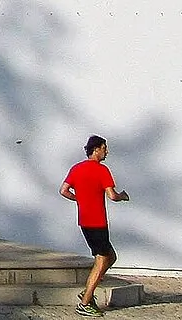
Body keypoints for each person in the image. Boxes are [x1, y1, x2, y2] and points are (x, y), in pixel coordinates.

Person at [60, 135, 129, 315]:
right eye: (105, 148)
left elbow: (63, 190)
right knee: (102, 260)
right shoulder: (101, 170)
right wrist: (123, 196)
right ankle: (85, 301)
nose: (107, 152)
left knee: (110, 256)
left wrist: (79, 199)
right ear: (96, 149)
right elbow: (112, 196)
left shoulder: (76, 168)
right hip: (97, 222)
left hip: (84, 221)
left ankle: (89, 290)